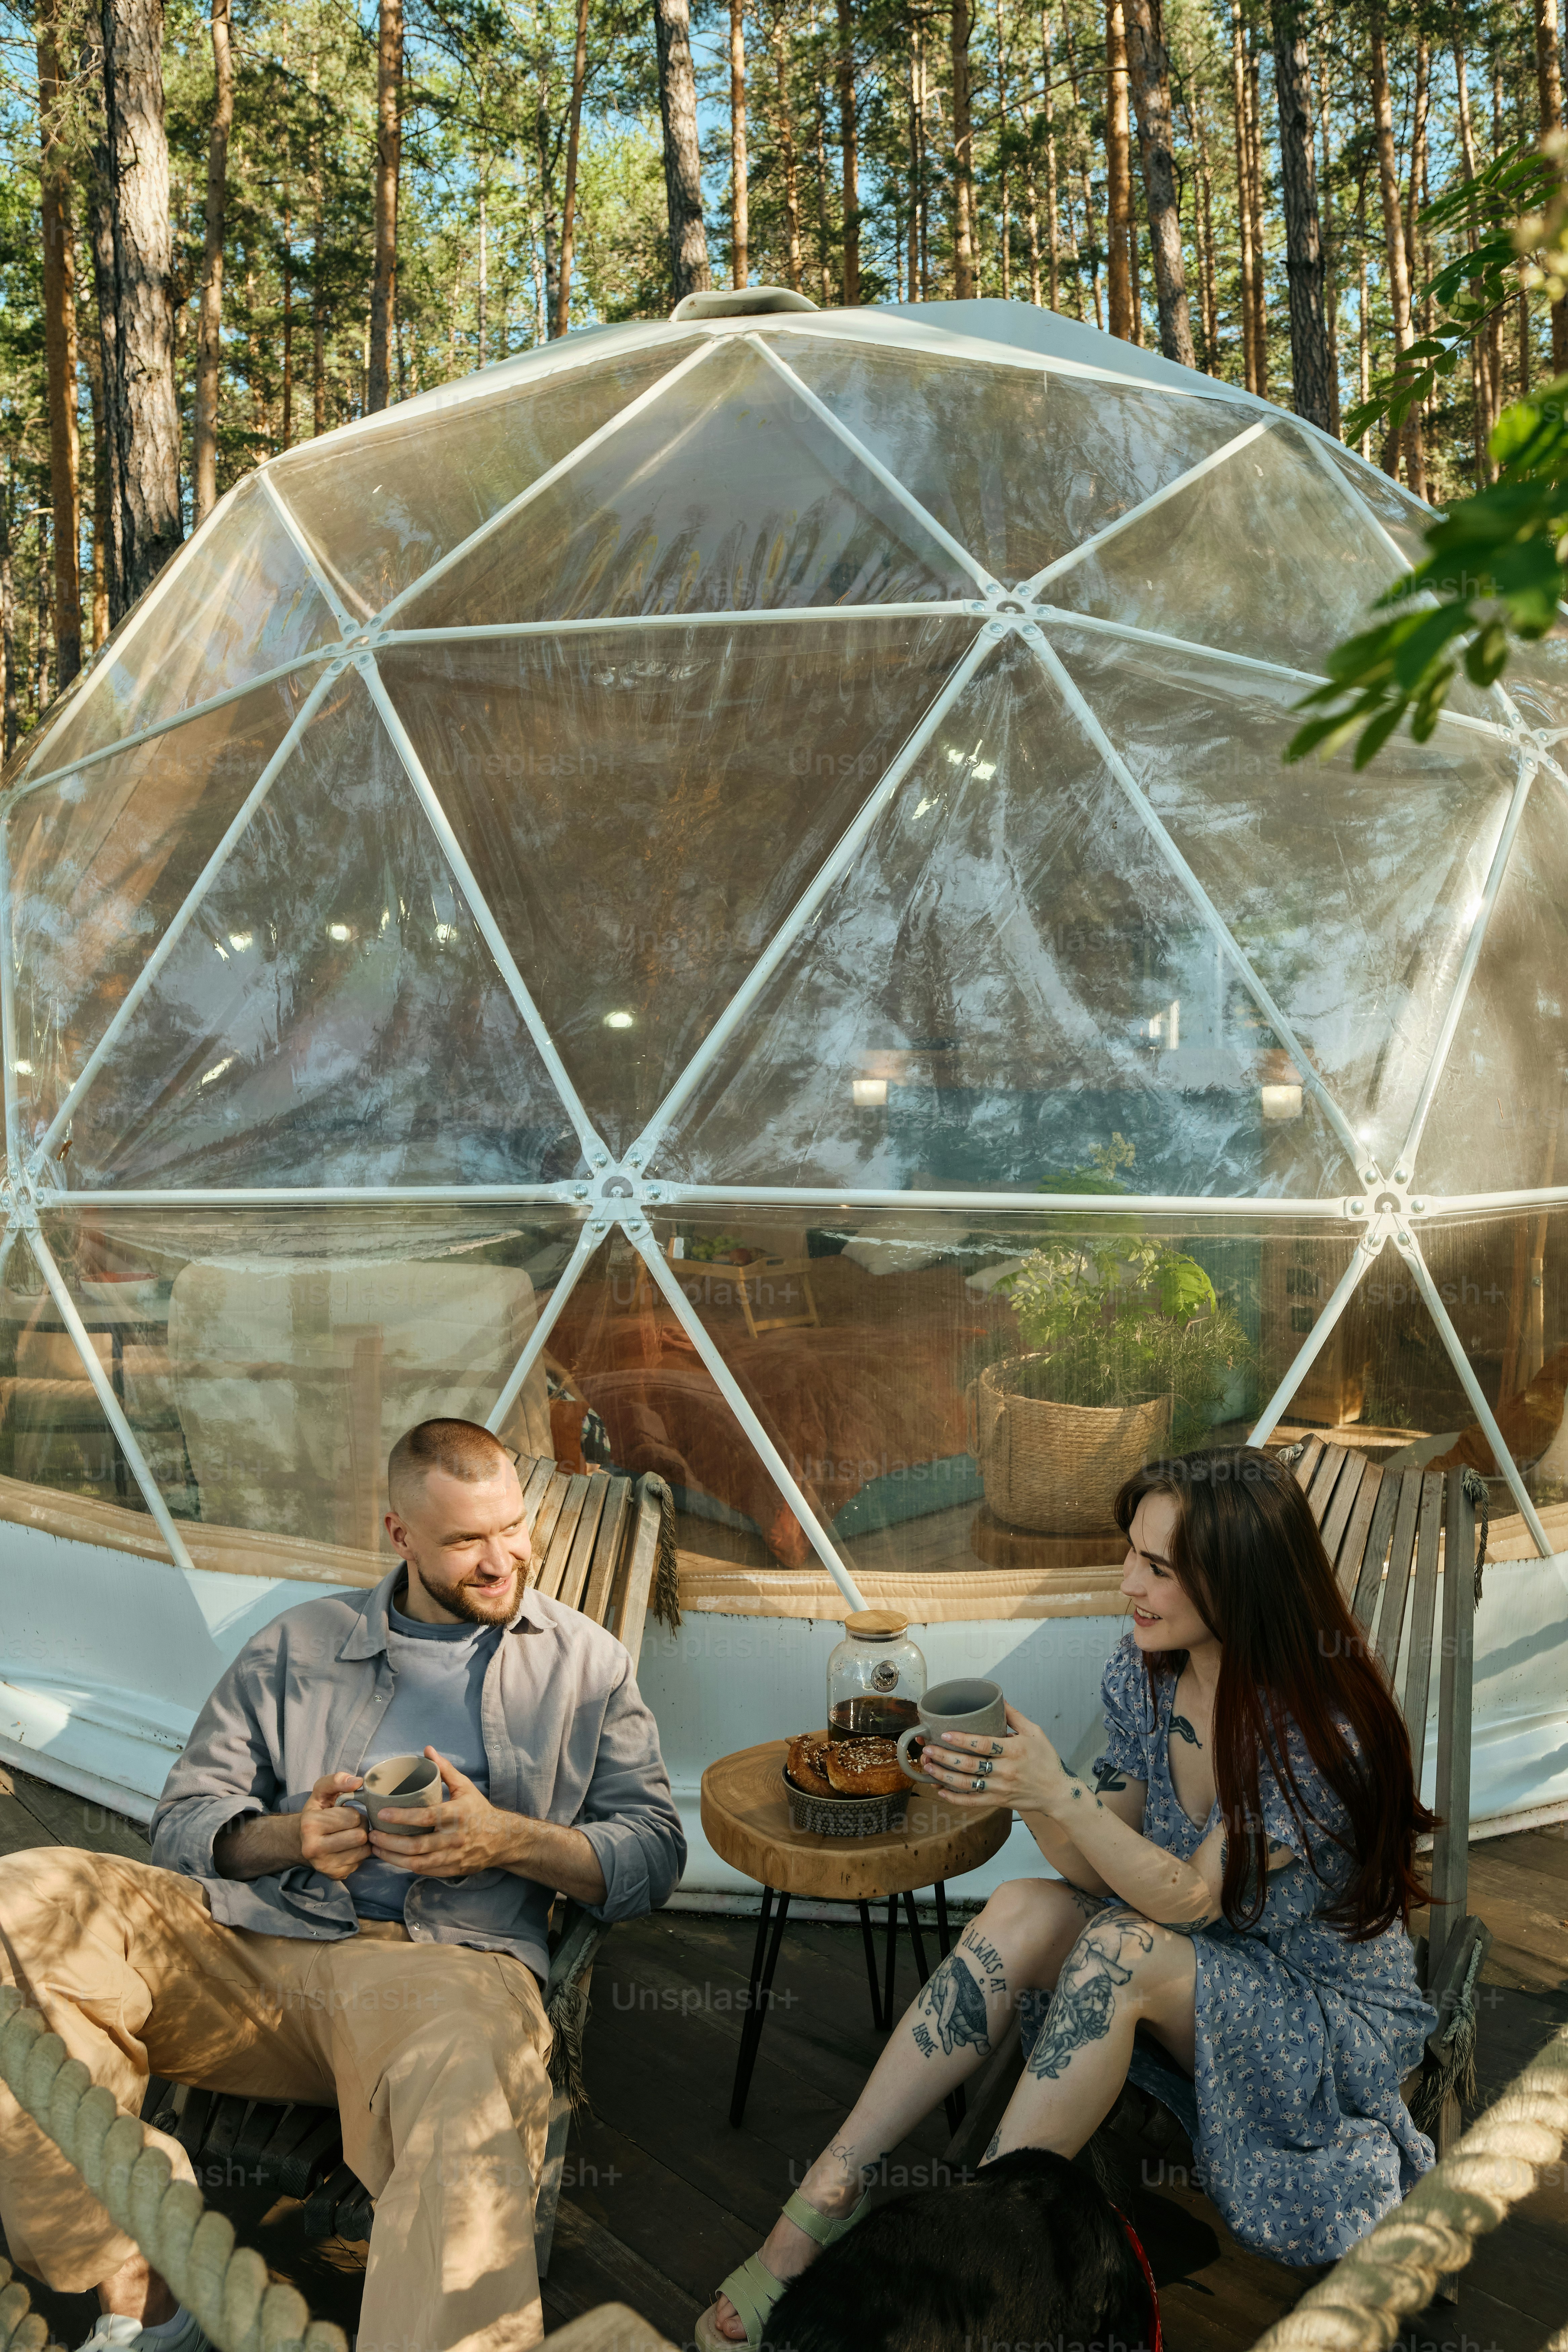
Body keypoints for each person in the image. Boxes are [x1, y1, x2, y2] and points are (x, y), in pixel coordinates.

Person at [697, 1445, 1438, 2351]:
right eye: (1131, 1553)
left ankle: (998, 2264)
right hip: (1191, 1965)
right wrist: (1021, 1790)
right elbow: (1100, 1860)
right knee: (1023, 1907)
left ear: (1240, 1585)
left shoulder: (1318, 1728)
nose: (1127, 1581)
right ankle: (827, 2191)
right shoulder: (1148, 1671)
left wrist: (1055, 1792)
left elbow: (1194, 1901)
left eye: (1157, 1569)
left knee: (1118, 1952)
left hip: (1315, 2011)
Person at [0, 1418, 685, 2352]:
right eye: (465, 1541)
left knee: (470, 2094)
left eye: (512, 1528)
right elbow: (185, 1821)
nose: (502, 1560)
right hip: (248, 1948)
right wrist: (290, 1836)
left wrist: (505, 1839)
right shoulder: (298, 1644)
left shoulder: (585, 1666)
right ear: (401, 1537)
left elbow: (651, 1856)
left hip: (442, 1974)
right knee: (21, 1902)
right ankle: (145, 2291)